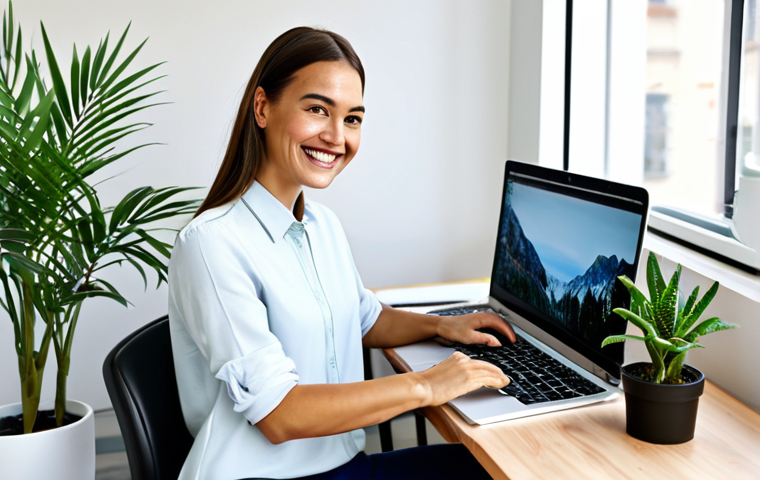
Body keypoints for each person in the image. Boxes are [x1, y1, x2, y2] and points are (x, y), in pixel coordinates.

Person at [168, 26, 514, 480]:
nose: (336, 135)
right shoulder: (212, 243)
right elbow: (279, 415)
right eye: (317, 109)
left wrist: (444, 326)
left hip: (343, 466)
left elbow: (364, 317)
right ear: (262, 107)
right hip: (265, 475)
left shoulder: (322, 226)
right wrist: (427, 384)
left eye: (352, 119)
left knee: (497, 466)